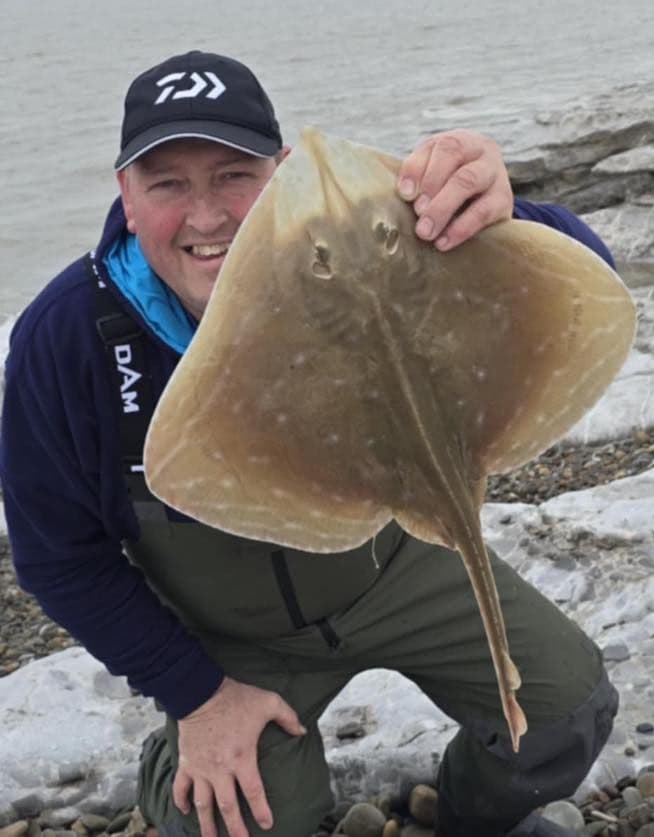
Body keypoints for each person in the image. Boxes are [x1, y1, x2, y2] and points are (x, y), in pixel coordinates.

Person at [0, 50, 618, 837]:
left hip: (396, 562)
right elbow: (57, 556)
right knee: (241, 818)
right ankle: (176, 763)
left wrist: (506, 215)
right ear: (125, 193)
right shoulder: (68, 342)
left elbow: (579, 278)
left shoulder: (363, 249)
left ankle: (469, 815)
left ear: (283, 173)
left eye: (234, 176)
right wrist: (195, 695)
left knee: (566, 709)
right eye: (168, 184)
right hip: (236, 632)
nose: (206, 216)